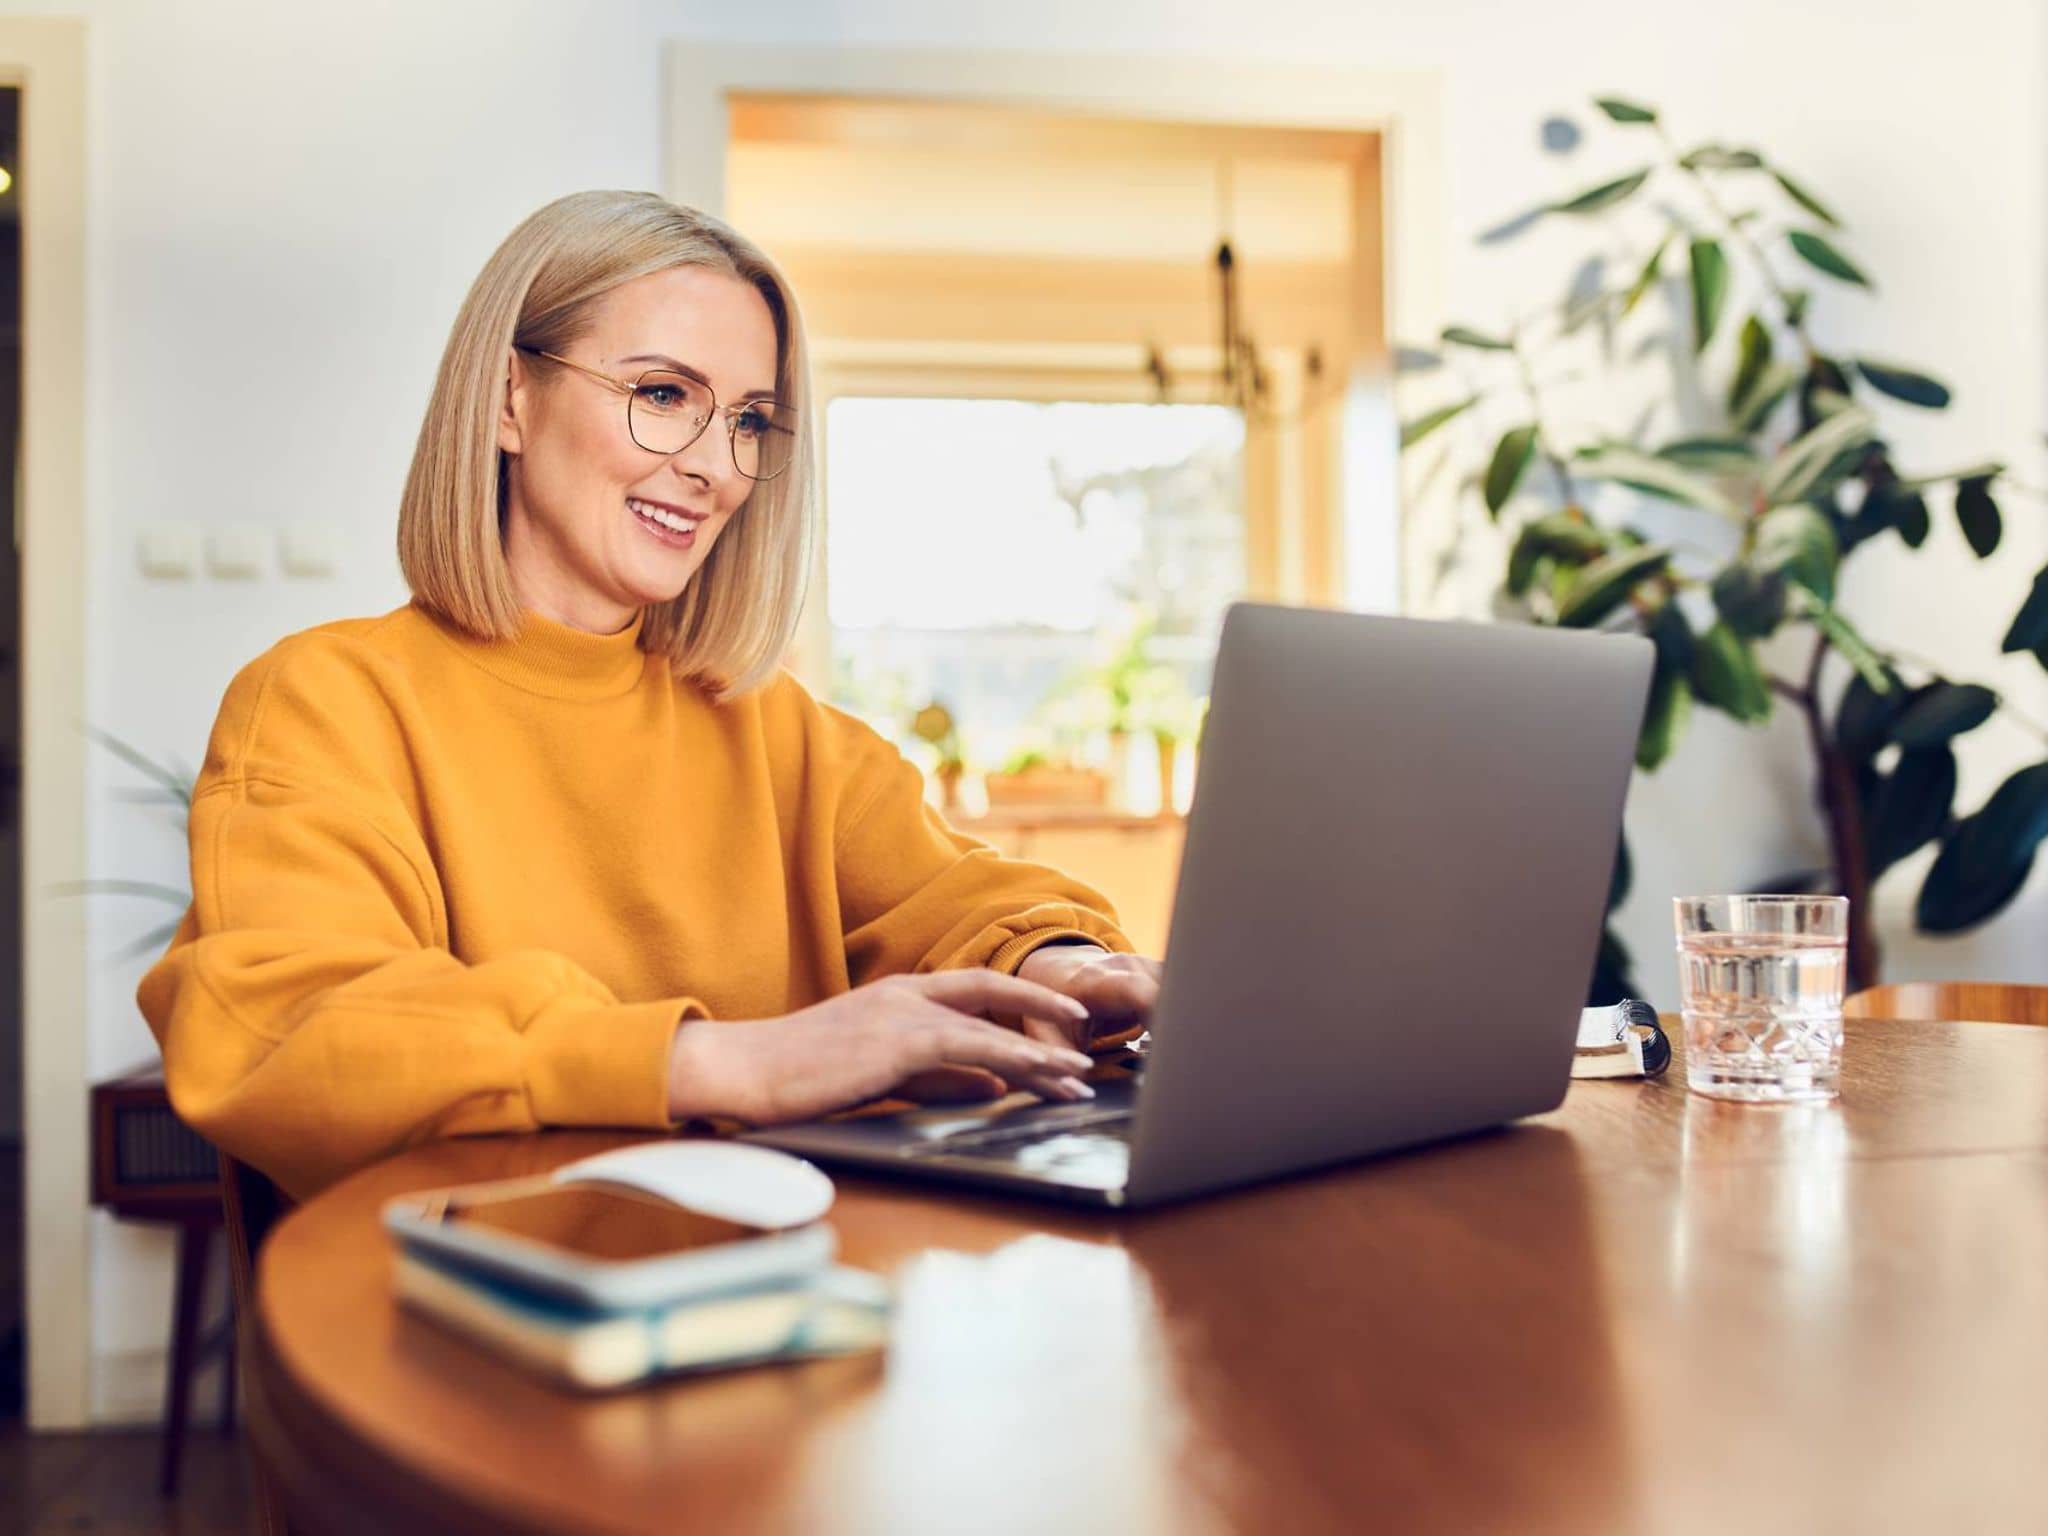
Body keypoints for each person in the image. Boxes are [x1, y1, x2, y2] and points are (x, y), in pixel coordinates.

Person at [137, 190, 1162, 1201]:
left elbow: (962, 897)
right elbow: (292, 1026)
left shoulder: (771, 726)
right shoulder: (325, 702)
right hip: (471, 1287)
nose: (716, 468)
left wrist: (1059, 964)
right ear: (508, 399)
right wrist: (725, 1063)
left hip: (782, 1281)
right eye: (664, 394)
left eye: (748, 420)